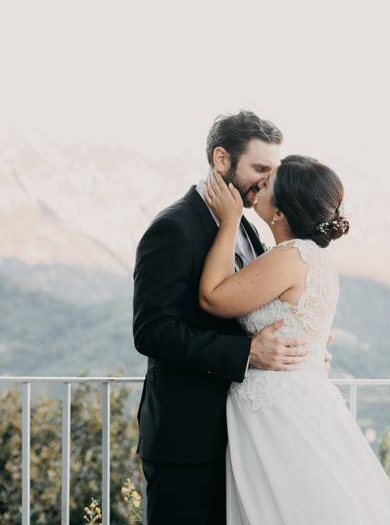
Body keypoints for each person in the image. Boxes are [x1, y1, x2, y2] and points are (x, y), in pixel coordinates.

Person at [132, 110, 330, 524]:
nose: (267, 181)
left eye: (272, 171)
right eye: (259, 168)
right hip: (186, 439)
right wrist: (248, 353)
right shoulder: (175, 228)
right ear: (222, 160)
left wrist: (302, 351)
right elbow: (152, 331)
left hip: (247, 437)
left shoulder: (249, 229)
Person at [199, 155, 390, 523]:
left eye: (268, 185)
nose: (259, 187)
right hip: (299, 399)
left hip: (277, 414)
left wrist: (229, 222)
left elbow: (212, 297)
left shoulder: (290, 256)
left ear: (281, 213)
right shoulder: (316, 258)